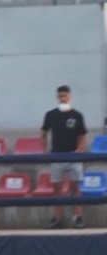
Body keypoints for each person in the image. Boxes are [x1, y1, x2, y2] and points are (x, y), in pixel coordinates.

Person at [41, 85, 88, 229]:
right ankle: (57, 218)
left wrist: (80, 149)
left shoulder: (77, 115)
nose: (63, 98)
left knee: (76, 188)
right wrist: (45, 150)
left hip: (73, 156)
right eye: (60, 96)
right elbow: (43, 132)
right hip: (56, 156)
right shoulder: (51, 114)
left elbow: (83, 134)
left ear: (70, 97)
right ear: (57, 97)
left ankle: (78, 217)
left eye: (65, 96)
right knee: (57, 189)